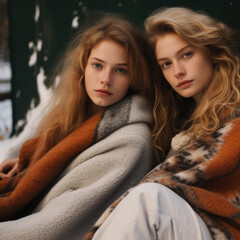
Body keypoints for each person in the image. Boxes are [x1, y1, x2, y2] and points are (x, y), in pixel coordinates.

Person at [85, 7, 240, 240]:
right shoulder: (183, 122)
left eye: (186, 55)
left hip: (236, 234)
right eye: (166, 64)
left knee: (149, 201)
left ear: (211, 51)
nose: (178, 71)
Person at [0, 13, 156, 239]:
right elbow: (72, 169)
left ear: (135, 77)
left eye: (121, 69)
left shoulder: (131, 143)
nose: (105, 79)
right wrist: (31, 164)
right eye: (97, 65)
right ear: (83, 67)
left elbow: (51, 228)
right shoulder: (80, 117)